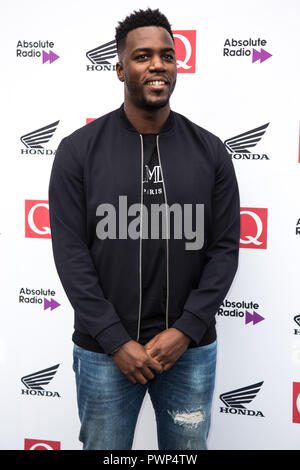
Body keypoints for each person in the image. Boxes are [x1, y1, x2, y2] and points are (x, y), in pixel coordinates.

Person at [48, 8, 240, 450]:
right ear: (119, 68)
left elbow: (225, 249)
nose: (157, 64)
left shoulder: (211, 152)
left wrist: (186, 330)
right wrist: (116, 341)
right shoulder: (77, 152)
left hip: (189, 352)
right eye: (142, 56)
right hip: (104, 353)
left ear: (177, 66)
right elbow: (71, 255)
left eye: (167, 56)